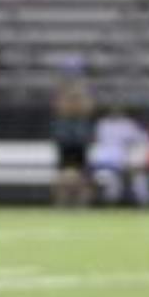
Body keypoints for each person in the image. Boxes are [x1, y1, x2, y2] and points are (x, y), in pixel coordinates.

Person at [48, 71, 96, 207]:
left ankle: (82, 205)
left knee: (83, 177)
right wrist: (68, 95)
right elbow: (61, 108)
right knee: (63, 176)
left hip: (80, 141)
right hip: (66, 141)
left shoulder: (83, 102)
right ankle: (61, 204)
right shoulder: (63, 105)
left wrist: (80, 93)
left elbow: (87, 108)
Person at [86, 106, 147, 206]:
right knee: (109, 180)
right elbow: (95, 159)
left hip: (126, 162)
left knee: (139, 181)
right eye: (113, 110)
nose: (115, 112)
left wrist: (132, 164)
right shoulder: (102, 125)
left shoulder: (129, 125)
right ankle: (110, 207)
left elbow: (139, 143)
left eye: (118, 110)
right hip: (107, 165)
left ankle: (145, 207)